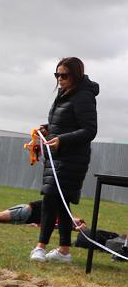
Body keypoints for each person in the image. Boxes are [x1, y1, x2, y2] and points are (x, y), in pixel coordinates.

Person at [30, 57, 98, 264]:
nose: (60, 78)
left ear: (75, 75)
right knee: (61, 202)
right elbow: (64, 123)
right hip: (57, 156)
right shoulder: (64, 94)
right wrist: (47, 130)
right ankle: (64, 251)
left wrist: (61, 140)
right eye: (57, 74)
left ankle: (40, 247)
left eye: (64, 75)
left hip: (72, 158)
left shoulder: (83, 96)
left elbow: (90, 130)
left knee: (50, 199)